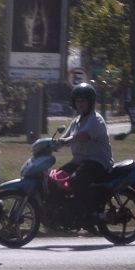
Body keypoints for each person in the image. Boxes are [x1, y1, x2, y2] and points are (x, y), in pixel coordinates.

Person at [55, 81, 112, 221]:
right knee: (56, 178)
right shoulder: (76, 121)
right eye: (78, 100)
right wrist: (49, 145)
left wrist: (67, 140)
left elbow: (84, 136)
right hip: (80, 161)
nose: (80, 103)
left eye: (83, 100)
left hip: (98, 161)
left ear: (90, 102)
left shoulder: (96, 119)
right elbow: (63, 139)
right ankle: (63, 212)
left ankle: (90, 214)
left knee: (76, 180)